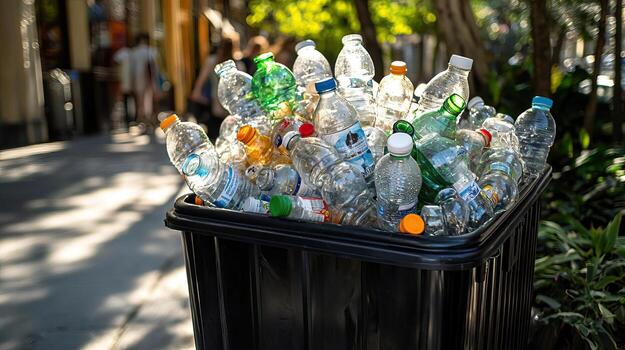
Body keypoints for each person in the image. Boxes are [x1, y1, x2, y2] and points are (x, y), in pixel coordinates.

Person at [189, 35, 243, 138]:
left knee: (217, 139)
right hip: (233, 110)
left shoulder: (212, 61)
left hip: (216, 107)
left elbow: (198, 87)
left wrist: (204, 98)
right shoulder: (238, 65)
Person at [132, 33, 161, 129]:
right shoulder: (152, 51)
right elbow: (155, 66)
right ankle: (150, 119)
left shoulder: (134, 52)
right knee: (150, 99)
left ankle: (141, 119)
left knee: (140, 100)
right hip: (150, 78)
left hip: (138, 78)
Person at [113, 43, 134, 127]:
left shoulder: (125, 53)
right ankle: (129, 119)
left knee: (126, 101)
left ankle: (129, 119)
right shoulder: (125, 53)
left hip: (128, 81)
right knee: (127, 101)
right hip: (129, 81)